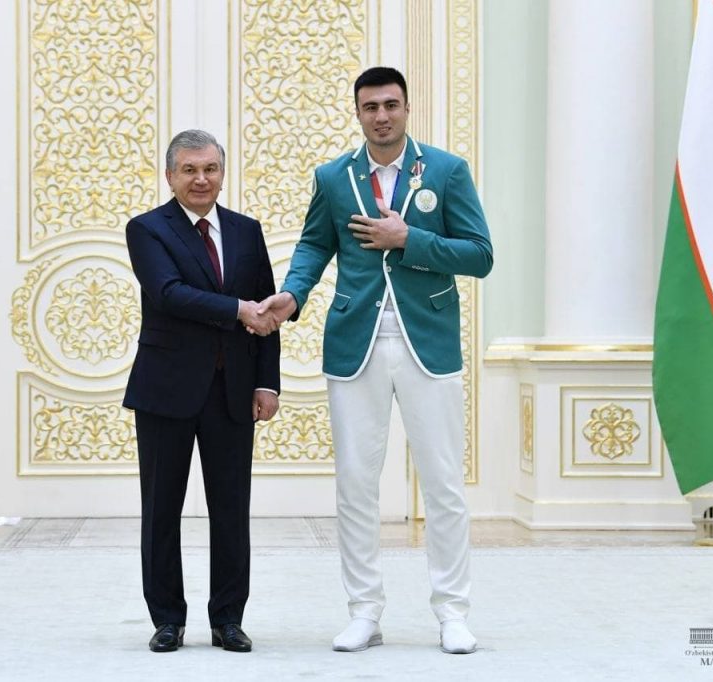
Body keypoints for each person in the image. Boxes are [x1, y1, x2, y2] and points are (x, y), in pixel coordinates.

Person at [259, 67, 492, 654]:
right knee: (356, 485)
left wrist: (409, 239)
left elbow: (480, 254)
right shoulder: (333, 177)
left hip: (428, 343)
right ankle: (364, 611)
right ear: (358, 113)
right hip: (354, 344)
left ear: (407, 108)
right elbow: (315, 244)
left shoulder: (446, 170)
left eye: (391, 104)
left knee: (443, 483)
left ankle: (452, 612)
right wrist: (293, 293)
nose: (381, 116)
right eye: (371, 107)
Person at [123, 129, 281, 653]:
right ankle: (167, 620)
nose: (200, 179)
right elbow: (168, 293)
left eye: (210, 168)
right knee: (161, 511)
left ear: (222, 173)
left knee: (231, 510)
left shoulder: (246, 230)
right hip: (165, 391)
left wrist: (267, 381)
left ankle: (228, 620)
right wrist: (236, 310)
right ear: (170, 175)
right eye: (189, 170)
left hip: (233, 391)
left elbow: (266, 310)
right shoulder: (147, 229)